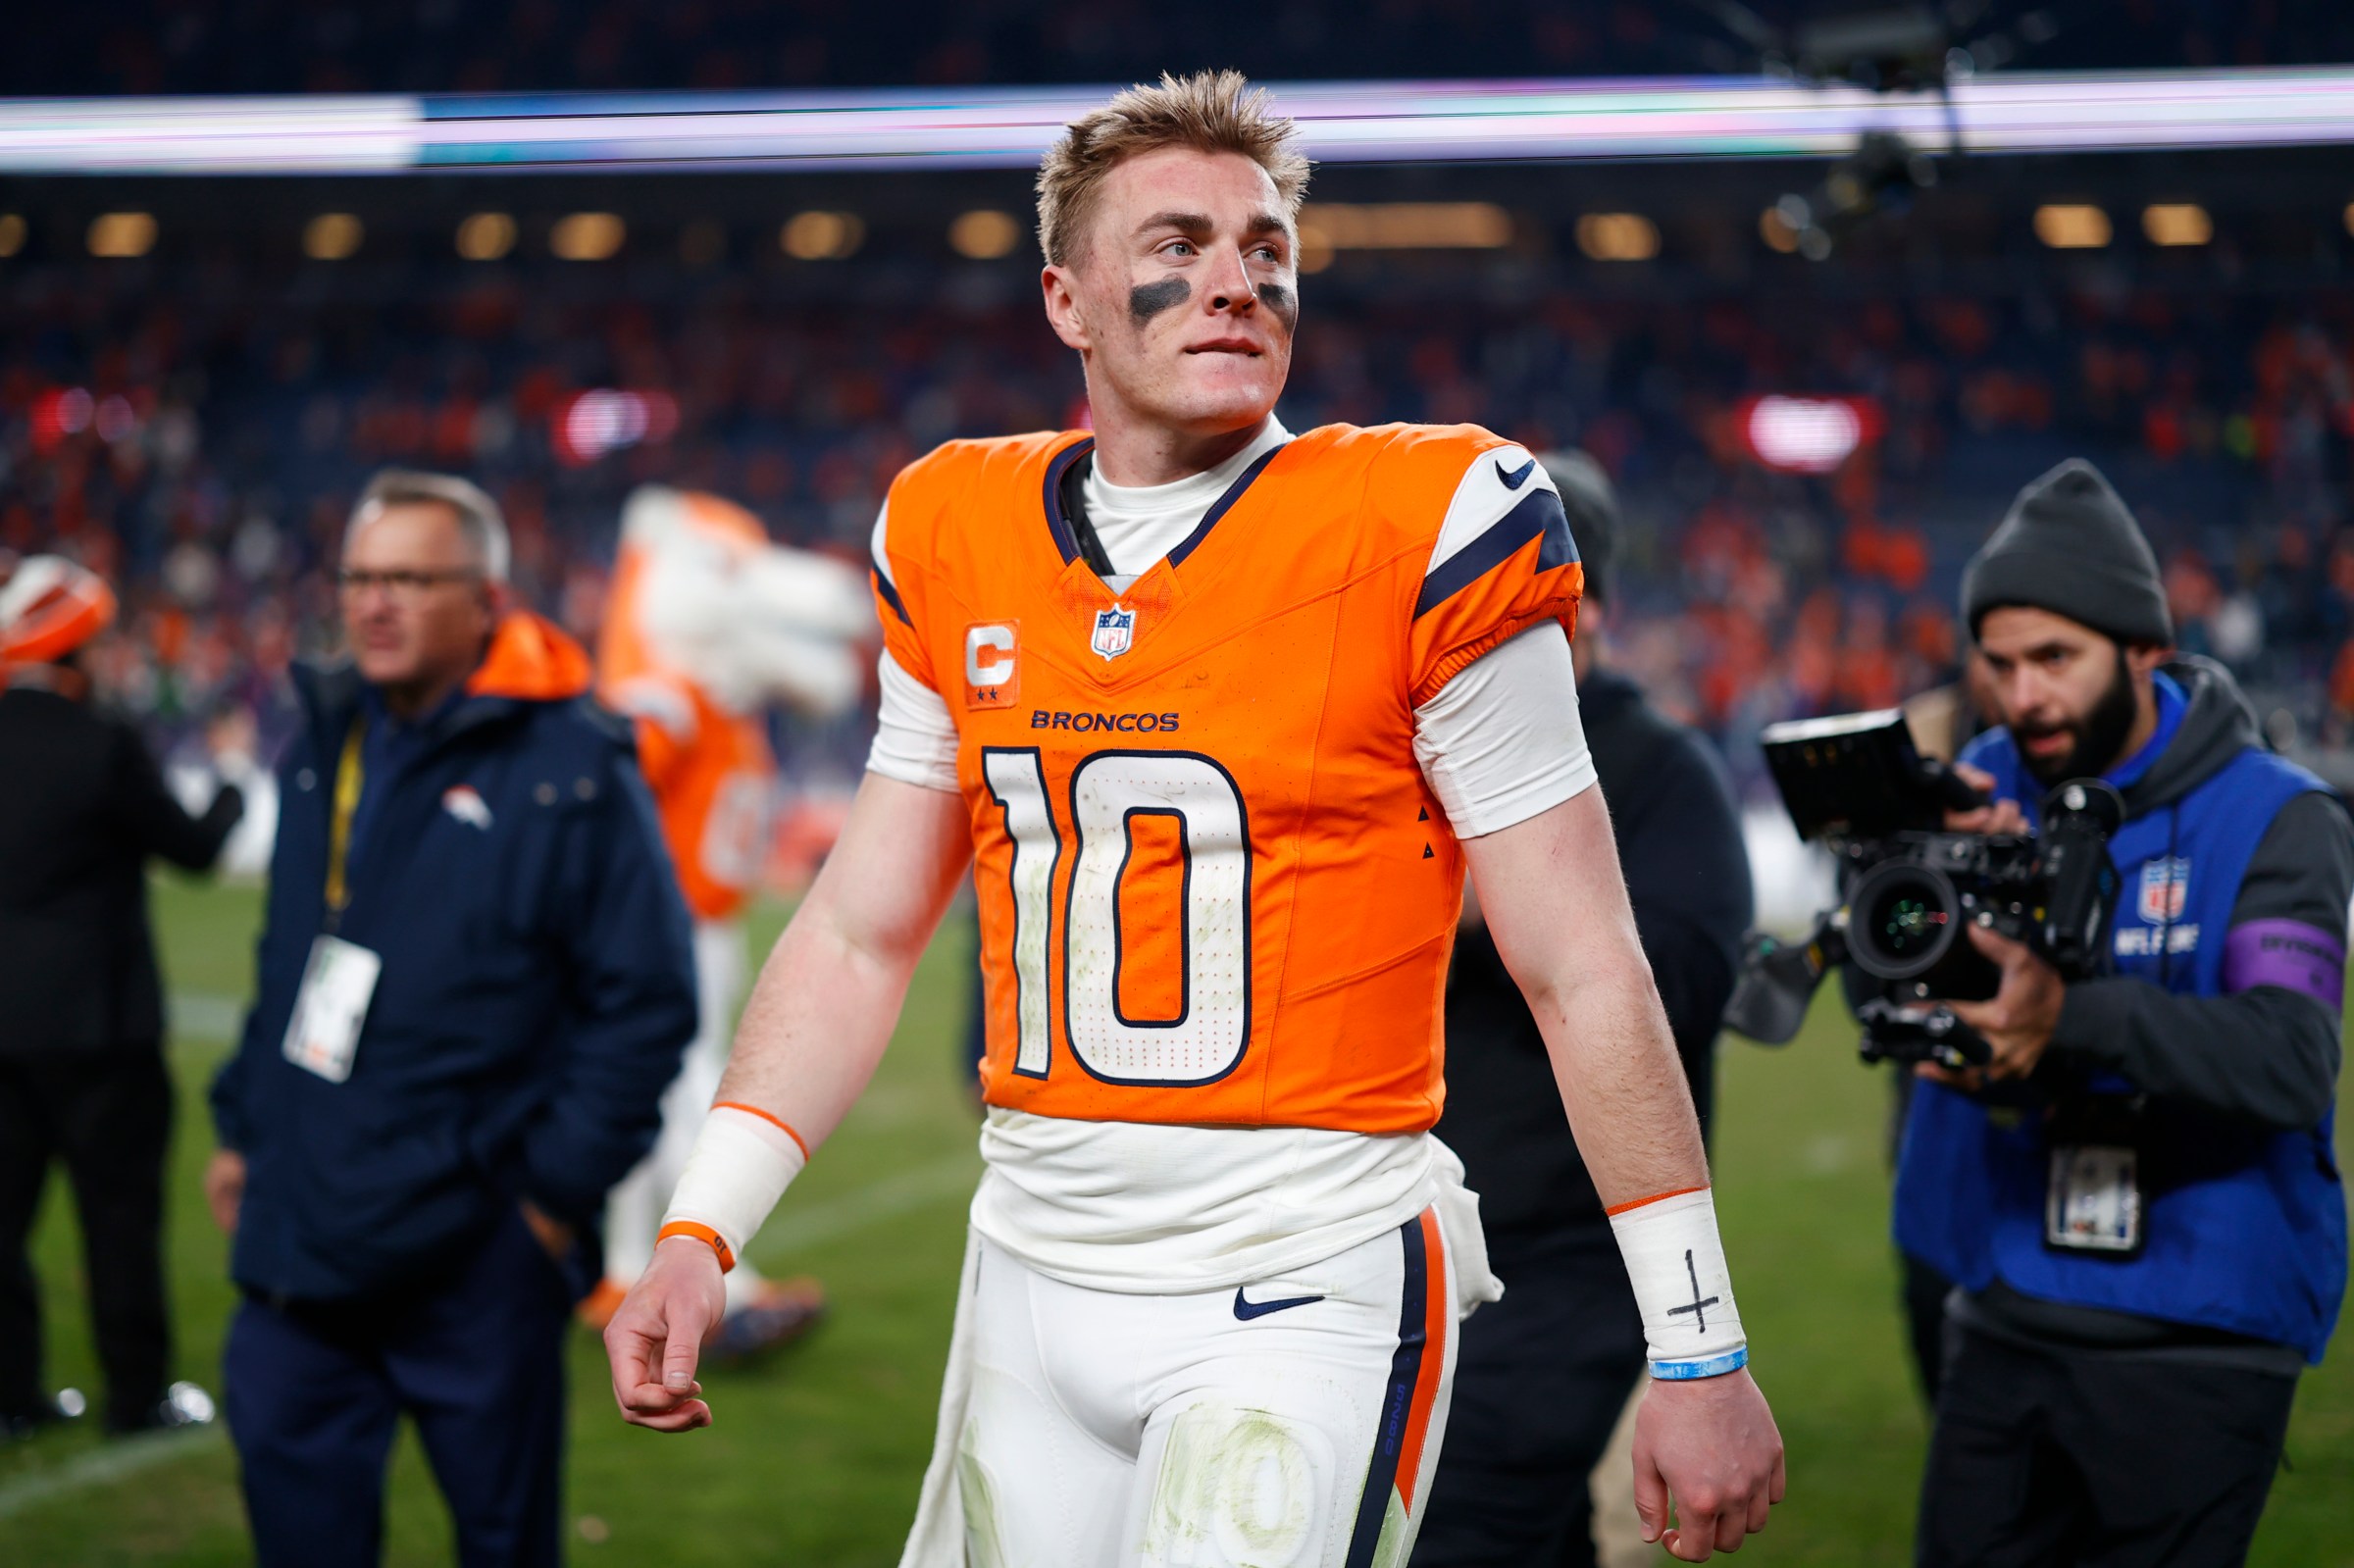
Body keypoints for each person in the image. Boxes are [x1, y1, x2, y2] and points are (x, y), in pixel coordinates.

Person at [606, 72, 1783, 1568]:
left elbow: (1585, 961)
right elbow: (855, 925)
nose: (1238, 278)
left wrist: (1696, 1341)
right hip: (1028, 1268)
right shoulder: (954, 527)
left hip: (1302, 1276)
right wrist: (702, 1228)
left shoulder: (1428, 519)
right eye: (1179, 240)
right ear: (1067, 300)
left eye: (1268, 246)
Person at [206, 470, 697, 1568]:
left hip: (476, 1261)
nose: (375, 603)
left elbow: (646, 1004)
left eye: (411, 580)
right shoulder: (321, 738)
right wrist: (246, 1124)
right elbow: (287, 962)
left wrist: (546, 1205)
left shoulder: (573, 766)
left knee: (502, 1549)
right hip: (297, 1258)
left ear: (484, 599)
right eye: (361, 578)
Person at [1899, 458, 2352, 1568]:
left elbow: (2289, 1058)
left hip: (2198, 1329)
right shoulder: (1981, 781)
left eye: (2056, 658)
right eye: (2000, 664)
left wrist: (2068, 1016)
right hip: (2004, 1307)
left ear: (2146, 649)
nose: (2023, 696)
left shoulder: (2274, 816)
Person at [1413, 455, 1754, 1566]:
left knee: (1459, 1528)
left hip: (1563, 1254)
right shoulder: (1416, 759)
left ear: (1584, 610)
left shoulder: (1662, 769)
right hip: (1407, 1238)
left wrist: (1509, 909)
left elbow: (1694, 985)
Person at [589, 484, 871, 1356]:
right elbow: (606, 784)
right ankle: (716, 1281)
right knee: (685, 1092)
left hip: (700, 920)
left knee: (662, 1094)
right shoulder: (666, 696)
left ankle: (621, 1267)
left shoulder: (719, 700)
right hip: (659, 925)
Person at [0, 555, 243, 1441]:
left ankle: (11, 1397)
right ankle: (136, 1398)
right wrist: (224, 787)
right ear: (75, 651)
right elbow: (192, 851)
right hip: (100, 1031)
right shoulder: (101, 740)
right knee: (119, 1219)